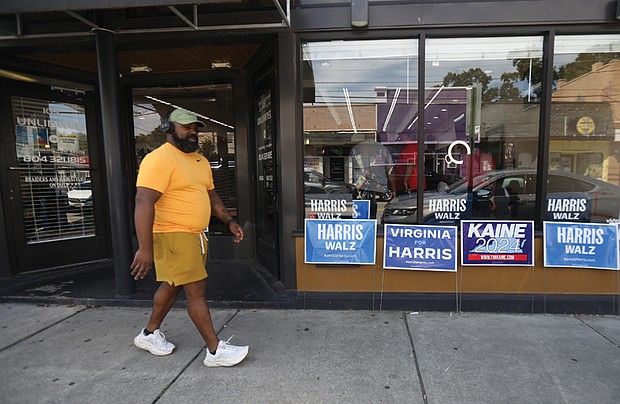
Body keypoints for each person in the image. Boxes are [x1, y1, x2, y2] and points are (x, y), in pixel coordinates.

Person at [130, 108, 249, 367]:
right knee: (197, 289)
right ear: (168, 128)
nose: (192, 131)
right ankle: (215, 351)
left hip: (196, 235)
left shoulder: (199, 161)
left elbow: (211, 196)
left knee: (173, 284)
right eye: (185, 127)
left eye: (195, 127)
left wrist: (229, 221)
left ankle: (149, 334)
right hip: (173, 233)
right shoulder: (158, 159)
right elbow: (143, 200)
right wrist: (144, 248)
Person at [349, 133, 397, 218]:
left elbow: (349, 168)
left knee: (360, 212)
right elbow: (390, 171)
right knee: (372, 209)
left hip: (361, 185)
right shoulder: (383, 149)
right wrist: (394, 190)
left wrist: (355, 186)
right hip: (377, 185)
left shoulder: (356, 149)